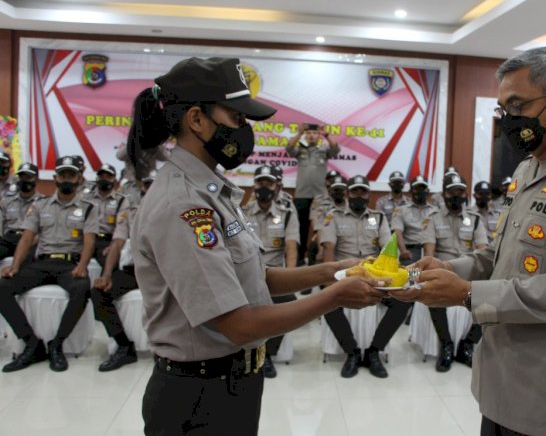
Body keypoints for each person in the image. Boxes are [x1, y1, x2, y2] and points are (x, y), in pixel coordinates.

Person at [126, 57, 384, 436]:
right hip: (199, 397)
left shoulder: (212, 190)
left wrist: (334, 271)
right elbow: (238, 325)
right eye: (237, 118)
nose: (246, 131)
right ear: (196, 120)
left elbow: (255, 279)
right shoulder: (183, 205)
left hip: (233, 382)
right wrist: (334, 297)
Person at [392, 46, 546, 436]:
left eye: (517, 105)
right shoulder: (527, 169)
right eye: (503, 108)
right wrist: (447, 269)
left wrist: (469, 294)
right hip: (502, 381)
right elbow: (498, 255)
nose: (508, 119)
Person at [0, 156, 97, 372]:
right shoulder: (40, 205)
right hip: (41, 263)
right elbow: (27, 237)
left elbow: (89, 240)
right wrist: (15, 265)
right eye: (63, 174)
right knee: (3, 287)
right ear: (55, 178)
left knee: (82, 289)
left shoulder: (88, 207)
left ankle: (57, 344)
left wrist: (82, 265)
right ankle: (32, 344)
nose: (67, 179)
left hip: (69, 265)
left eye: (71, 175)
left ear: (79, 178)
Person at [319, 175, 410, 378]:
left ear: (369, 194)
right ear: (348, 194)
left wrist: (382, 278)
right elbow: (329, 250)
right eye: (355, 192)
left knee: (402, 302)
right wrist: (328, 280)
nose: (359, 196)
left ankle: (374, 351)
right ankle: (351, 352)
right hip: (345, 275)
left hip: (374, 274)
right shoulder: (333, 216)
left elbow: (388, 250)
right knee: (326, 301)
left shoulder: (378, 218)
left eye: (363, 192)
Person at [90, 170, 156, 371]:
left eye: (155, 183)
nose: (151, 188)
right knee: (98, 292)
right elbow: (117, 242)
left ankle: (167, 349)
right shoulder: (131, 211)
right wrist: (106, 275)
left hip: (160, 273)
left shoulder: (174, 210)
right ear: (142, 187)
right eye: (147, 184)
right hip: (134, 270)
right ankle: (124, 347)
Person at [422, 173, 487, 371]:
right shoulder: (432, 218)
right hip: (442, 268)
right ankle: (446, 345)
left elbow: (483, 251)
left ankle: (467, 344)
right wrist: (437, 272)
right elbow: (429, 253)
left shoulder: (475, 220)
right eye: (452, 192)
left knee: (491, 297)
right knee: (434, 293)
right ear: (445, 194)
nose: (457, 195)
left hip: (469, 269)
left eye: (461, 191)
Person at [242, 165, 300, 378]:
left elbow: (291, 247)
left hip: (274, 274)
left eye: (269, 183)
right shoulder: (242, 212)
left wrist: (292, 275)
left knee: (291, 302)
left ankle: (266, 354)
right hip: (247, 272)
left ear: (278, 187)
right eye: (260, 182)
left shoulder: (287, 213)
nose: (263, 187)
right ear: (254, 184)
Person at [286, 123, 340, 262]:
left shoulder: (324, 150)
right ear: (305, 135)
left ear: (318, 135)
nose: (311, 135)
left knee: (321, 227)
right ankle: (298, 258)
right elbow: (289, 148)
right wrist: (298, 133)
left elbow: (336, 149)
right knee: (301, 228)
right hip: (302, 195)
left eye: (314, 133)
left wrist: (327, 135)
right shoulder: (300, 150)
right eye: (308, 133)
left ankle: (318, 258)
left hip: (320, 196)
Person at [84, 163, 128, 269]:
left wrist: (113, 246)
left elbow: (121, 228)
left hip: (106, 241)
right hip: (85, 239)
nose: (105, 179)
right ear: (97, 178)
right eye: (102, 176)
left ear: (114, 179)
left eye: (109, 177)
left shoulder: (121, 200)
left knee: (112, 264)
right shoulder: (86, 197)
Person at [0, 162, 43, 261]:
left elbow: (44, 232)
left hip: (31, 240)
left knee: (29, 261)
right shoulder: (7, 201)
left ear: (36, 180)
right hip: (9, 239)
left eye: (28, 178)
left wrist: (27, 243)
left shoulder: (43, 203)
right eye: (21, 177)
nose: (24, 181)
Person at [391, 175, 438, 265]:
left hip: (433, 250)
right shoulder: (401, 210)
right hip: (411, 251)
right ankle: (412, 278)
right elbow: (397, 231)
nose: (420, 191)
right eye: (416, 189)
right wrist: (403, 250)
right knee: (412, 275)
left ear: (428, 191)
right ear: (410, 191)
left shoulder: (435, 210)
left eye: (423, 188)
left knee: (434, 274)